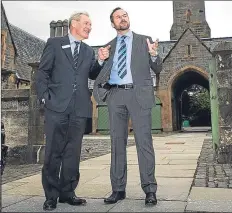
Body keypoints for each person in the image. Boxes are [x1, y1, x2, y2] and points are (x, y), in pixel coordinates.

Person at [36, 11, 108, 211]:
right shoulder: (54, 44)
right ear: (74, 24)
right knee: (53, 152)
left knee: (72, 153)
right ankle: (51, 196)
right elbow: (43, 72)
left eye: (91, 24)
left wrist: (101, 60)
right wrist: (44, 97)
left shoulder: (87, 51)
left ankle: (68, 193)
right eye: (86, 23)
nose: (89, 27)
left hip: (79, 108)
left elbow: (92, 73)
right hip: (56, 106)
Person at [93, 7, 162, 206]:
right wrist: (100, 59)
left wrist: (155, 55)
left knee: (144, 143)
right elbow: (95, 73)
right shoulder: (108, 46)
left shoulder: (144, 40)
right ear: (112, 24)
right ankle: (118, 189)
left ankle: (149, 189)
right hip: (116, 95)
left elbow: (158, 68)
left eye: (125, 16)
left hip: (138, 95)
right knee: (116, 143)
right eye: (118, 17)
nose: (122, 19)